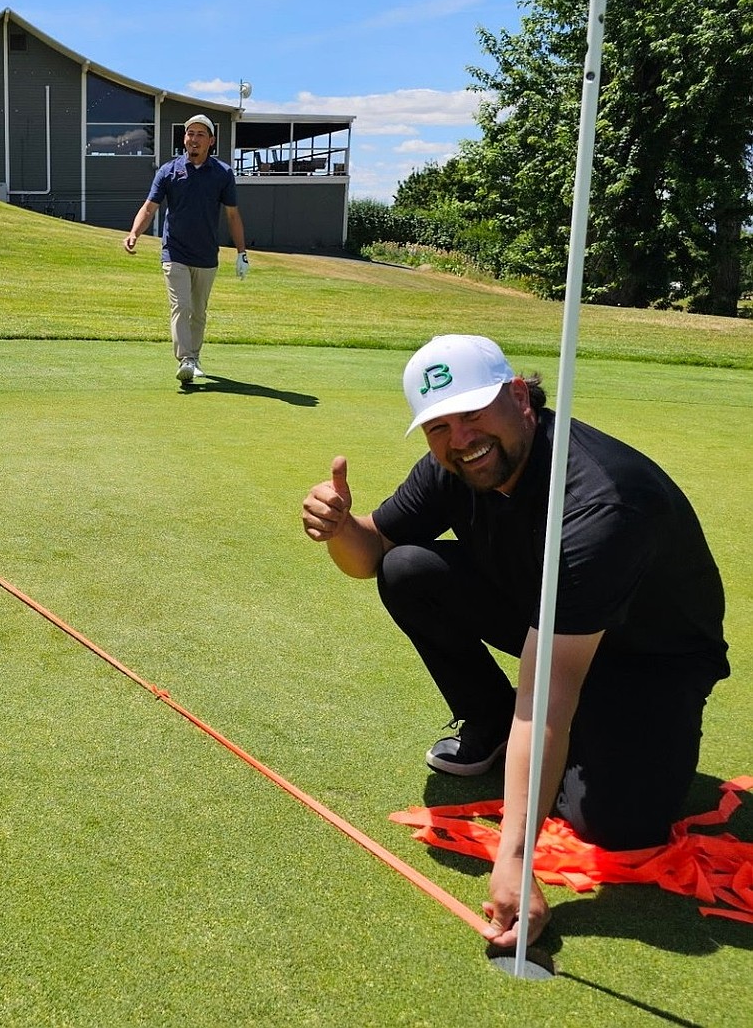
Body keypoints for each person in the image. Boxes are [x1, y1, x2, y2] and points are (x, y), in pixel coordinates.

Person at [301, 333, 728, 950]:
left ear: (522, 398)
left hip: (649, 659)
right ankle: (494, 726)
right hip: (548, 619)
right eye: (438, 427)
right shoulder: (454, 467)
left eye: (474, 413)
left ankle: (600, 742)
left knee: (614, 825)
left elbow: (551, 680)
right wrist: (340, 527)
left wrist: (514, 856)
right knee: (408, 571)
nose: (461, 440)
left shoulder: (601, 503)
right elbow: (370, 555)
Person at [123, 114, 249, 384]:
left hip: (206, 256)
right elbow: (149, 208)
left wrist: (242, 252)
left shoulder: (223, 173)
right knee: (180, 305)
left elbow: (232, 216)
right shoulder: (169, 171)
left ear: (210, 141)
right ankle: (186, 359)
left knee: (198, 312)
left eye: (200, 134)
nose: (193, 139)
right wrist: (135, 233)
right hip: (174, 252)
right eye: (190, 133)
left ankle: (194, 356)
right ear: (184, 139)